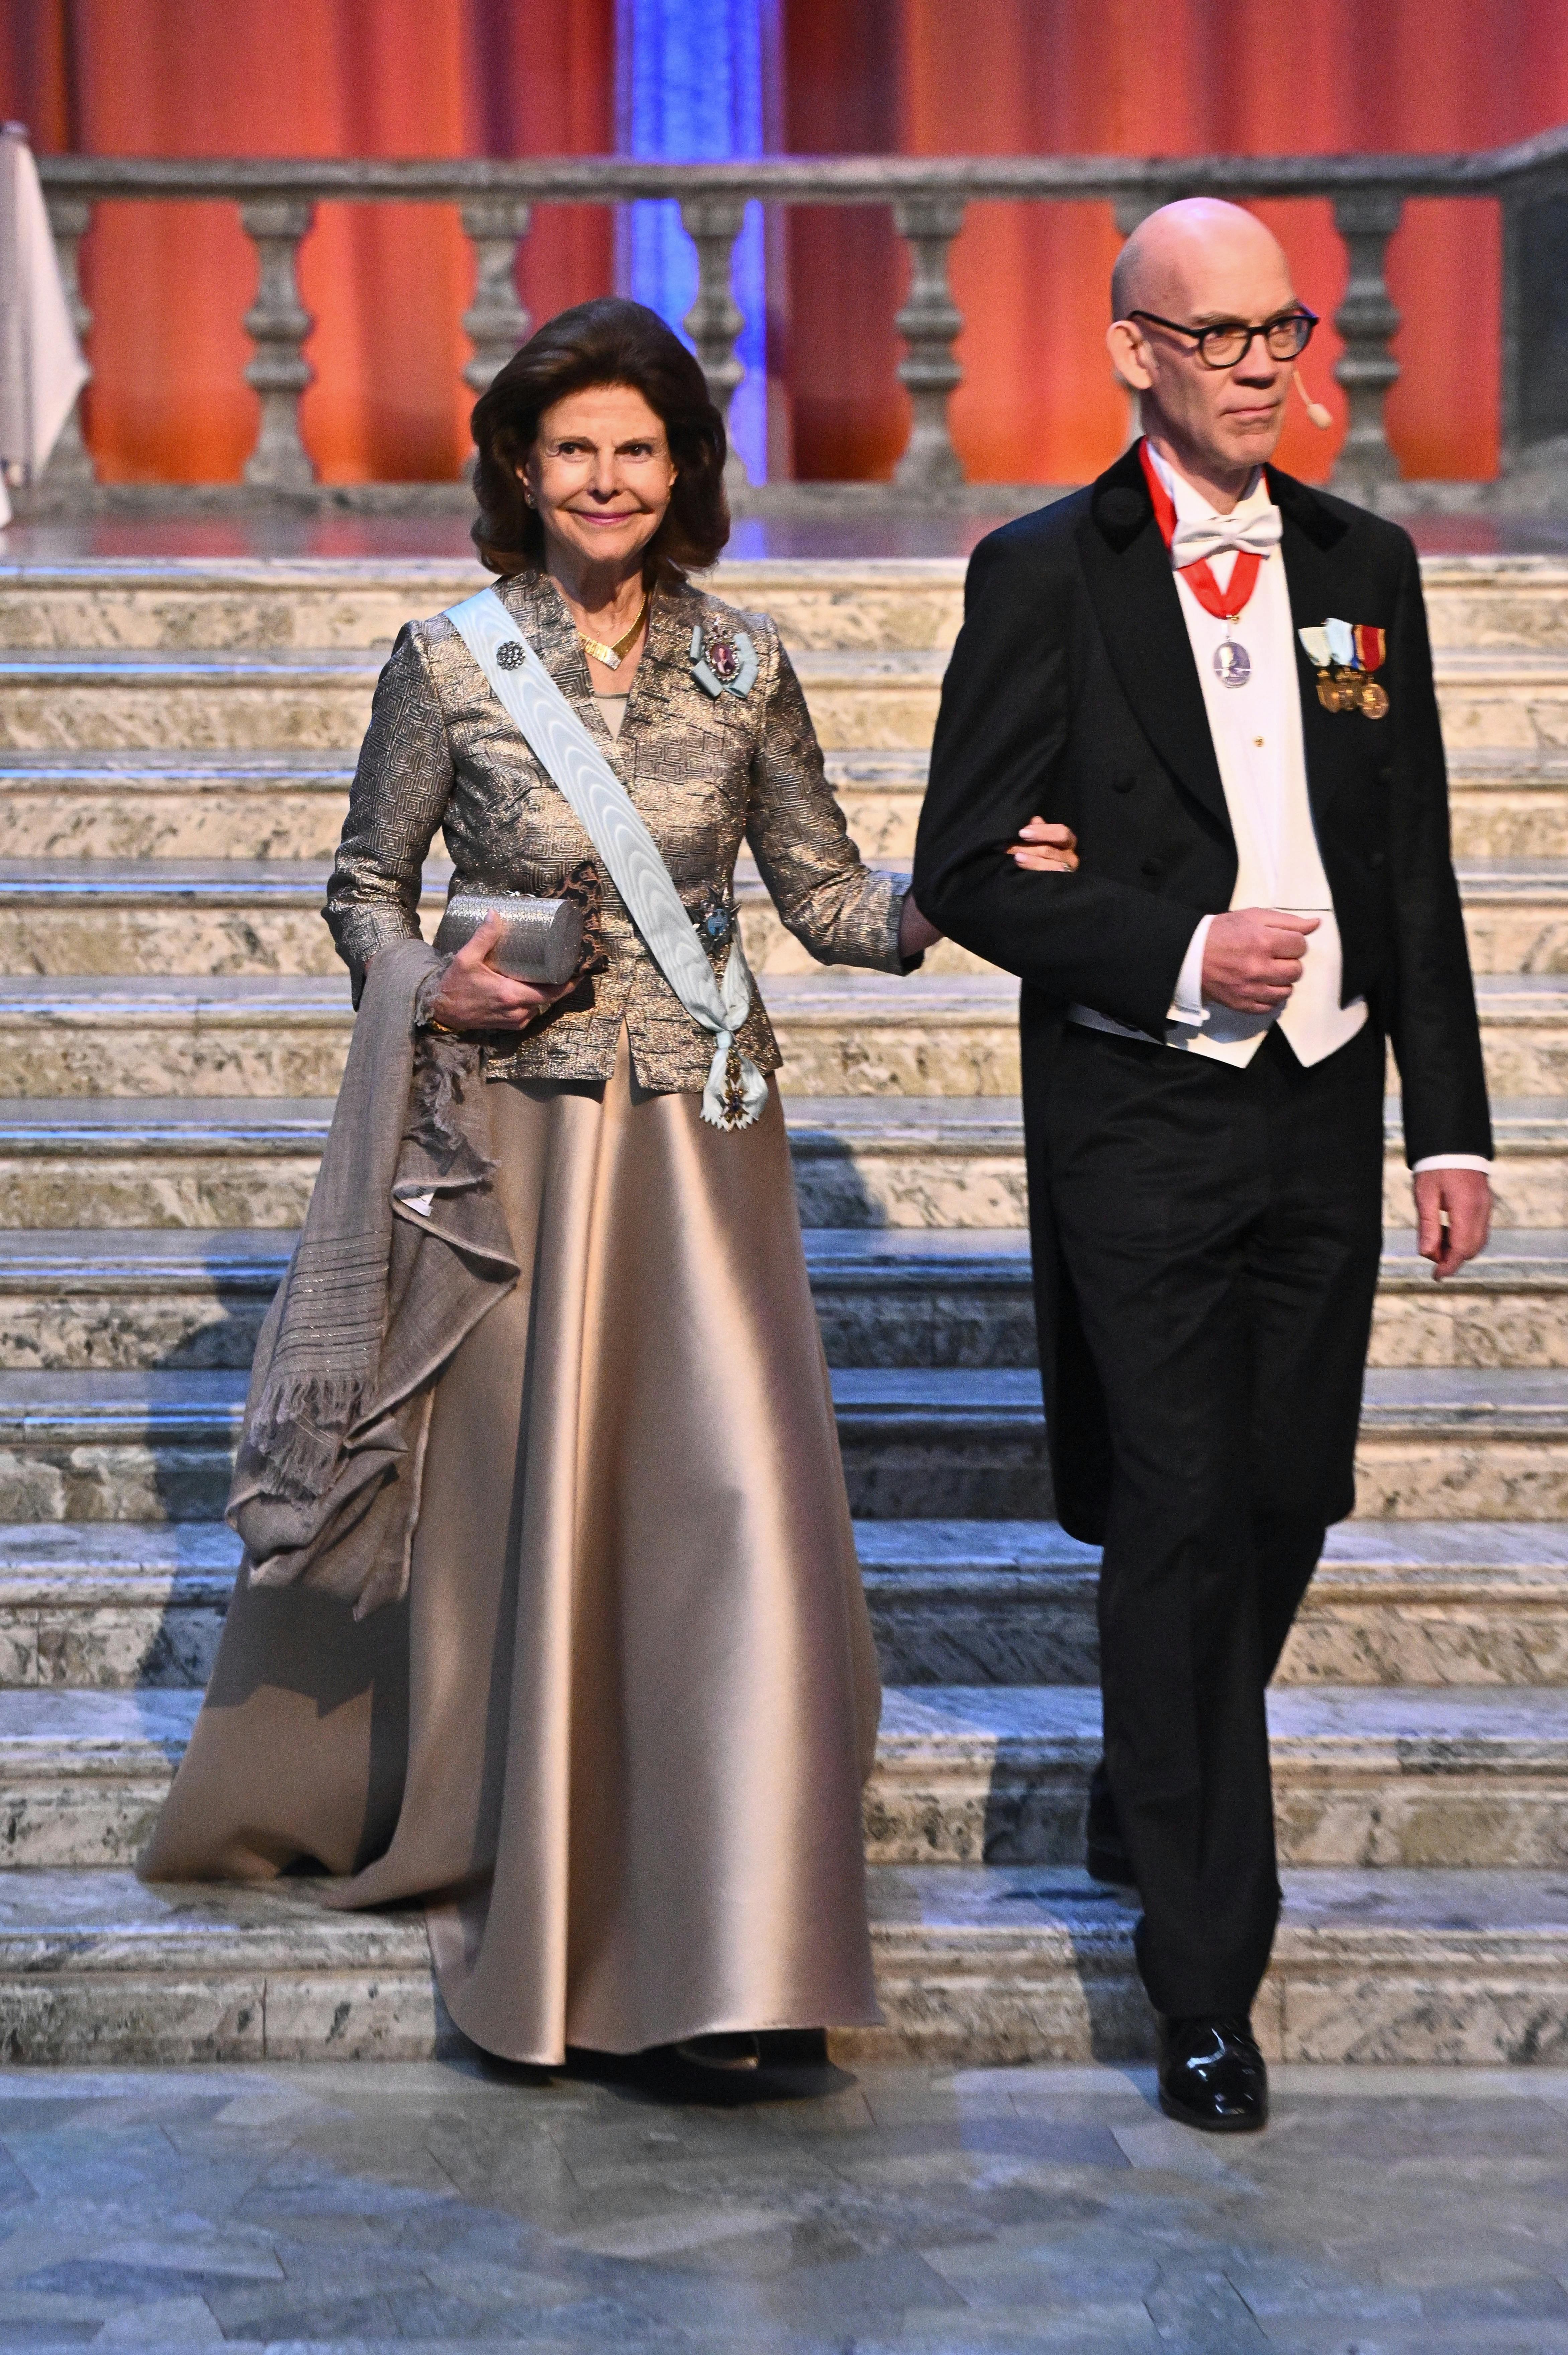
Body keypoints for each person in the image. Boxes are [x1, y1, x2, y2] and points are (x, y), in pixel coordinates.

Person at [140, 295, 1081, 2084]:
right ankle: (570, 1950)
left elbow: (825, 899)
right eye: (573, 448)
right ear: (518, 465)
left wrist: (973, 886)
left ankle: (737, 1946)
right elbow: (362, 886)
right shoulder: (444, 662)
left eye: (637, 449)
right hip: (507, 1160)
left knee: (735, 1533)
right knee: (545, 1538)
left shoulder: (747, 667)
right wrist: (431, 983)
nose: (605, 478)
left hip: (704, 1157)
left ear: (682, 468)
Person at [913, 201, 1491, 2134]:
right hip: (1143, 1118)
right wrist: (1170, 952)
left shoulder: (1364, 565)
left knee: (1281, 1502)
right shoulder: (1042, 575)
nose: (1261, 362)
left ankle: (1142, 1761)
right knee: (1172, 1515)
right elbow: (966, 868)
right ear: (1133, 351)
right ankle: (1204, 1983)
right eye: (1219, 332)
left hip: (1324, 1107)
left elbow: (1409, 860)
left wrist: (1456, 1119)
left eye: (1282, 328)